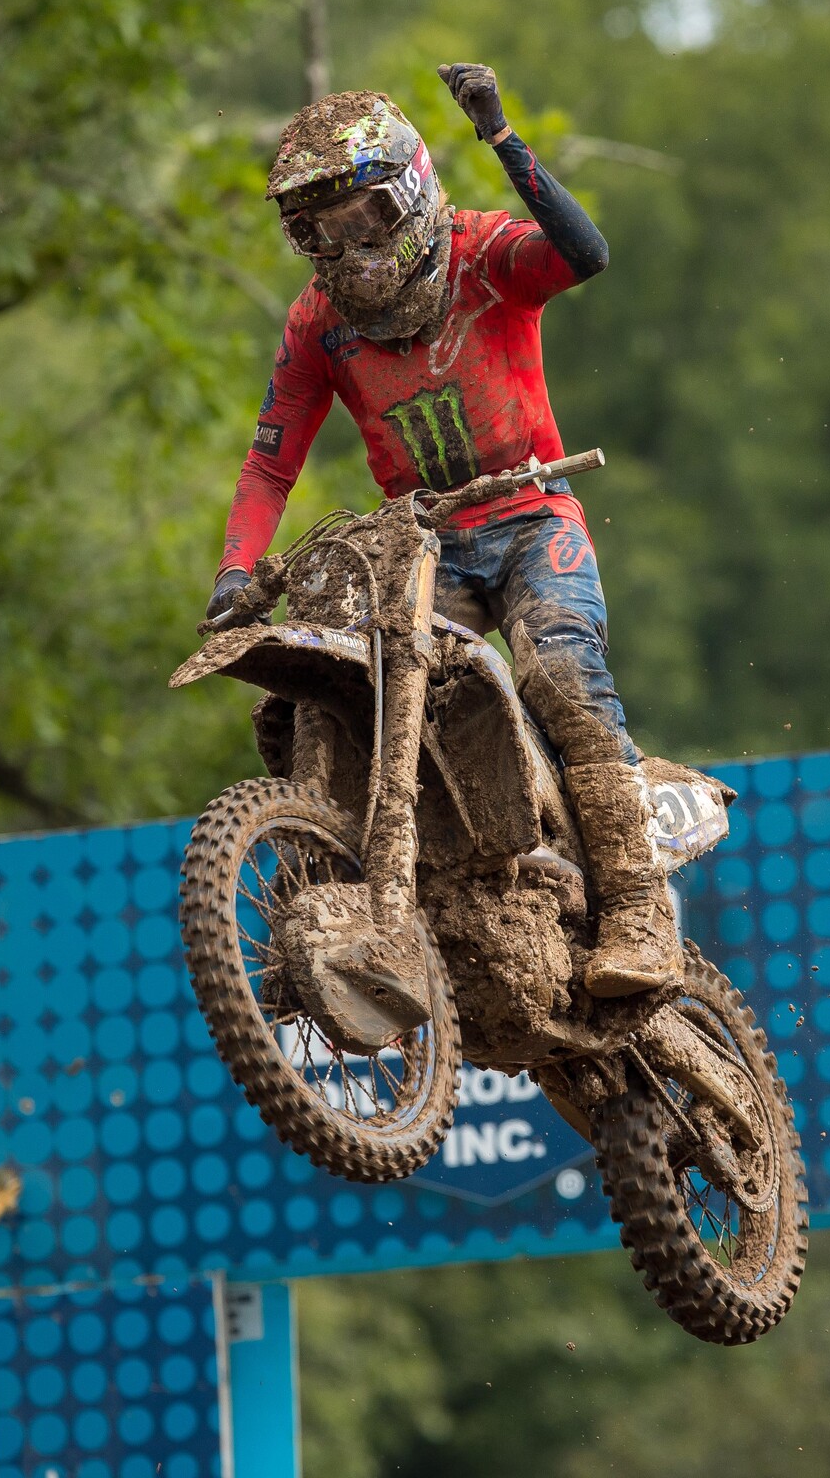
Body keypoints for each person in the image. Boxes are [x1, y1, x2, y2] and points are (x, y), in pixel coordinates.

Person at [204, 64, 678, 998]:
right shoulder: (317, 327)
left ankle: (638, 911)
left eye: (363, 219)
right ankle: (361, 912)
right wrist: (235, 570)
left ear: (411, 193)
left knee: (560, 674)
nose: (349, 249)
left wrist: (502, 139)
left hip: (533, 512)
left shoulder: (484, 255)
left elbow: (584, 255)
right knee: (354, 687)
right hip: (423, 543)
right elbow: (270, 462)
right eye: (320, 230)